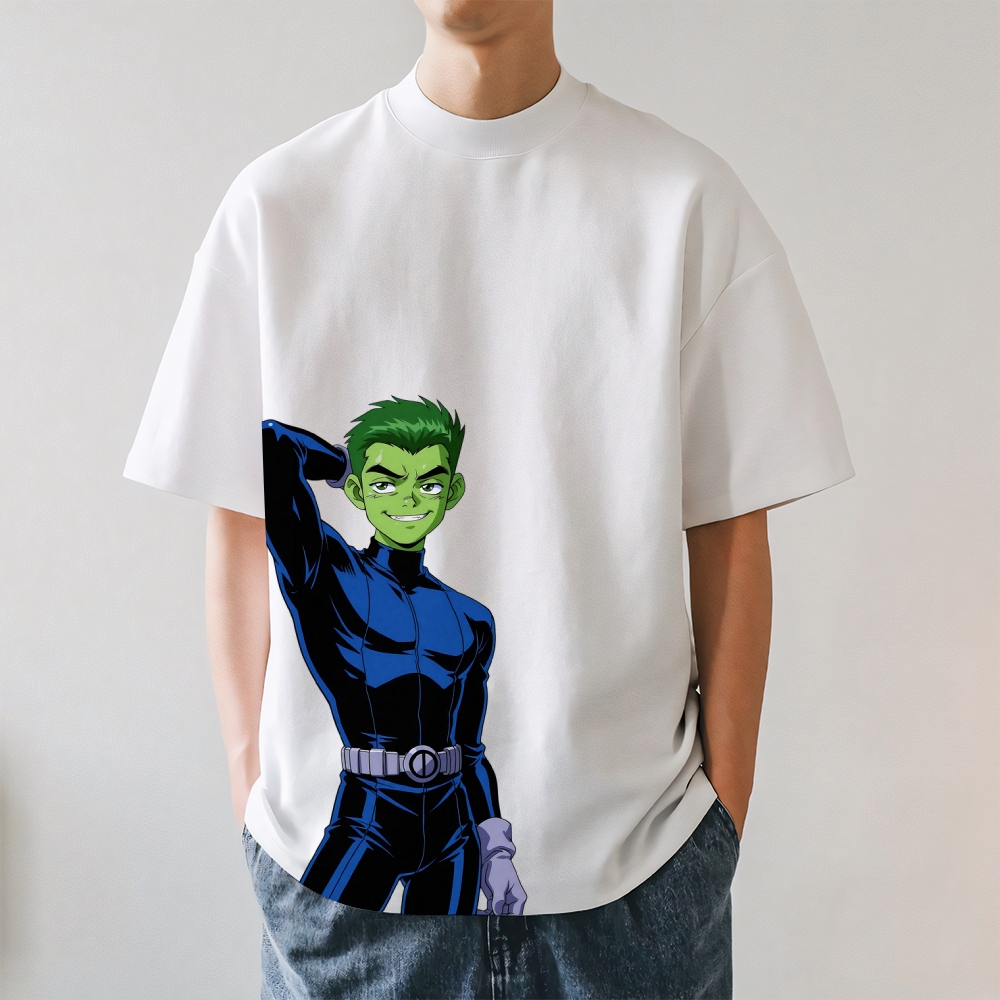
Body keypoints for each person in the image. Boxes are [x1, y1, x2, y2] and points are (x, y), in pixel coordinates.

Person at [125, 1, 853, 996]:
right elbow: (246, 519)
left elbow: (728, 521)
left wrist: (714, 822)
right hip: (343, 889)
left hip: (629, 880)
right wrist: (254, 790)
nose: (406, 496)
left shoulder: (681, 202)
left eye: (427, 481)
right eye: (388, 482)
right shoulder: (280, 206)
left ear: (452, 488)